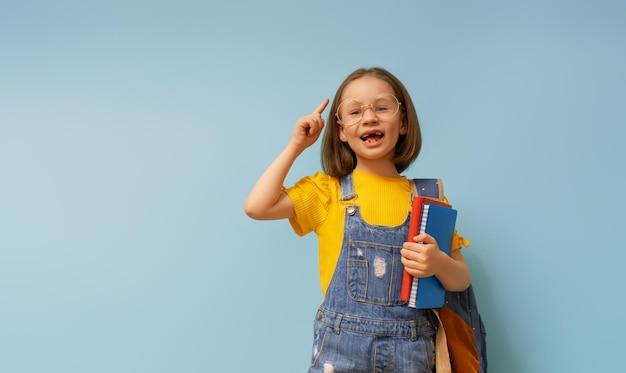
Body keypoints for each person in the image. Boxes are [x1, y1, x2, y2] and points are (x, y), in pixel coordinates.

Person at [244, 67, 471, 372]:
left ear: (403, 123)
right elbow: (257, 207)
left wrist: (438, 264)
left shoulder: (429, 198)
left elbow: (461, 279)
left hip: (412, 351)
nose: (369, 117)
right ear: (340, 131)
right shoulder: (327, 191)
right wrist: (296, 146)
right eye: (355, 112)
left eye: (381, 107)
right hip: (340, 349)